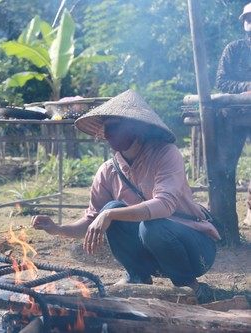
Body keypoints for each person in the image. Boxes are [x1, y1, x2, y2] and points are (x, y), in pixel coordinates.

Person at [31, 89, 221, 304]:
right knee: (112, 207)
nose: (110, 133)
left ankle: (191, 286)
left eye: (117, 127)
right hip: (153, 255)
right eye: (108, 128)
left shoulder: (166, 153)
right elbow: (93, 222)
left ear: (138, 129)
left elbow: (165, 205)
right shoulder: (108, 170)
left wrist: (110, 214)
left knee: (150, 224)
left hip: (195, 251)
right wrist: (57, 229)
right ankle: (138, 278)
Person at [215, 2, 251, 226]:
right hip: (234, 116)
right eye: (248, 20)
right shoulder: (233, 49)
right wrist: (247, 87)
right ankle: (225, 223)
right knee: (225, 167)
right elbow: (221, 81)